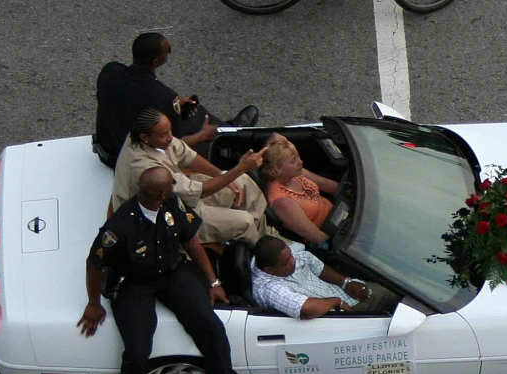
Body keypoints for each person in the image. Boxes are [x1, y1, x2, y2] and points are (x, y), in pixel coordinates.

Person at [77, 167, 249, 374]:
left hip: (172, 274)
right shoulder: (119, 227)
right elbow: (94, 265)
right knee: (137, 352)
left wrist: (212, 281)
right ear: (162, 193)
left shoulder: (173, 205)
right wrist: (93, 303)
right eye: (171, 183)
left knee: (211, 329)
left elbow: (190, 240)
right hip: (133, 285)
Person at [112, 107, 275, 246]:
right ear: (145, 137)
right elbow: (198, 192)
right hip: (166, 214)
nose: (170, 137)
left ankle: (263, 232)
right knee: (243, 221)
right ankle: (262, 252)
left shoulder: (155, 138)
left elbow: (187, 155)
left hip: (181, 190)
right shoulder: (144, 168)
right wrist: (240, 168)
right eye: (164, 134)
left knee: (243, 182)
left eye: (170, 130)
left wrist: (223, 175)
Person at [95, 31, 260, 168]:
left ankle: (230, 131)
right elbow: (174, 144)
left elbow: (130, 99)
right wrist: (202, 135)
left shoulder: (110, 71)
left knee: (187, 112)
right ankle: (232, 135)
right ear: (157, 61)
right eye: (168, 50)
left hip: (106, 145)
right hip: (125, 160)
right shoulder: (162, 99)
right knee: (198, 119)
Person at [251, 236, 401, 319]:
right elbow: (307, 310)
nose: (293, 261)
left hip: (341, 294)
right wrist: (337, 301)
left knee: (391, 292)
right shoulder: (269, 289)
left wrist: (345, 283)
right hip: (335, 317)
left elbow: (316, 265)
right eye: (287, 262)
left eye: (290, 255)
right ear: (269, 270)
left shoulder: (281, 257)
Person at [261, 133, 339, 244]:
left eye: (298, 157)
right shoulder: (282, 203)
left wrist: (350, 192)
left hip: (339, 213)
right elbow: (318, 237)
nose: (300, 162)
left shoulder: (296, 173)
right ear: (277, 168)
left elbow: (323, 184)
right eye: (293, 161)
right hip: (332, 232)